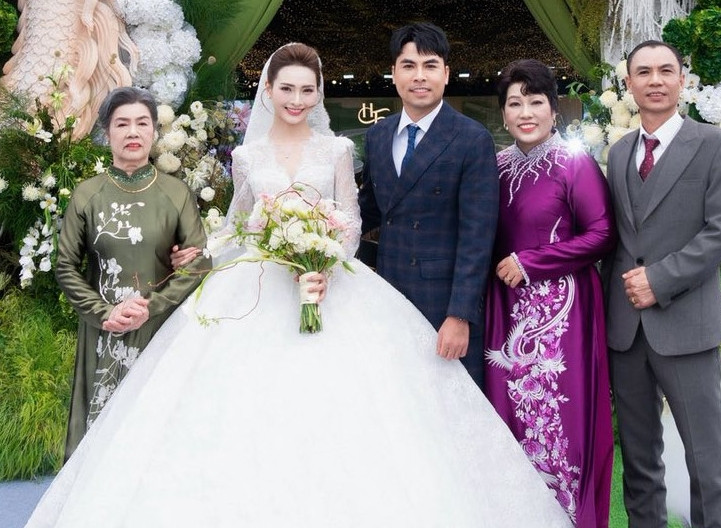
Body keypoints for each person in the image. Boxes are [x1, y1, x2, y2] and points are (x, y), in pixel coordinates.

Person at [25, 43, 572, 528]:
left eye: (307, 90)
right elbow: (238, 223)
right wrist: (201, 250)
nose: (296, 99)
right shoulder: (247, 157)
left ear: (318, 94)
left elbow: (352, 218)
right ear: (268, 90)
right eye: (286, 89)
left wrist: (327, 259)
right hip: (257, 288)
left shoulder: (337, 151)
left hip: (330, 287)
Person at [602, 40, 721, 528]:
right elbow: (619, 239)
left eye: (666, 71)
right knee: (639, 460)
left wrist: (659, 280)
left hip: (686, 327)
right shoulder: (620, 152)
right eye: (644, 72)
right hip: (626, 332)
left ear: (683, 80)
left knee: (706, 461)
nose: (656, 81)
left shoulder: (716, 146)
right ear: (629, 83)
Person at [483, 59, 616, 527]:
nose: (526, 113)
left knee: (559, 419)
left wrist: (532, 262)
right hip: (503, 310)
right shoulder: (495, 167)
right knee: (506, 416)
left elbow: (602, 234)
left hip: (562, 312)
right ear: (503, 114)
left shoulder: (574, 163)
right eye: (514, 103)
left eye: (536, 102)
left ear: (554, 109)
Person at [55, 87, 210, 460]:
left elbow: (199, 262)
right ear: (106, 131)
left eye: (142, 123)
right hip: (104, 328)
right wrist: (105, 313)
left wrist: (150, 306)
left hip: (160, 328)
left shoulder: (176, 193)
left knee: (155, 435)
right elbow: (66, 265)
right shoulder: (87, 195)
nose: (133, 132)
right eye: (122, 124)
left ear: (154, 130)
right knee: (101, 435)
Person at [358, 22, 499, 388]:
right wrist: (315, 232)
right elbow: (366, 212)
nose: (419, 76)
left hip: (443, 304)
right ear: (394, 73)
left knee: (448, 403)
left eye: (430, 65)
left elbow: (477, 236)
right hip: (388, 294)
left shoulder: (472, 138)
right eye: (408, 65)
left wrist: (460, 315)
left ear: (446, 74)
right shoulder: (377, 135)